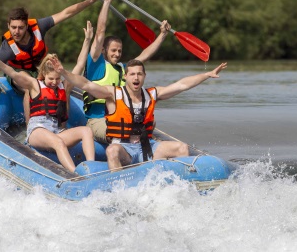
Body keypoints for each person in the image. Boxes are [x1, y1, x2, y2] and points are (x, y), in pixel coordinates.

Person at [50, 57, 227, 170]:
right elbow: (87, 85)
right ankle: (118, 189)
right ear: (125, 77)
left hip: (147, 146)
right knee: (112, 150)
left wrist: (207, 75)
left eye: (139, 74)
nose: (136, 78)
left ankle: (179, 185)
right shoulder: (114, 93)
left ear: (144, 76)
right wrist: (64, 72)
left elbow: (182, 85)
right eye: (132, 74)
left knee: (181, 148)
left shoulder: (151, 94)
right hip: (124, 149)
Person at [0, 0, 101, 123]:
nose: (17, 32)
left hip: (39, 68)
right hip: (19, 72)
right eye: (13, 27)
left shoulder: (39, 27)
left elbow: (65, 13)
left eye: (20, 27)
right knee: (29, 85)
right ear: (8, 26)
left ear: (27, 26)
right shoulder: (8, 48)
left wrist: (90, 1)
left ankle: (63, 122)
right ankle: (29, 126)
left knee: (62, 84)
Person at [0, 43, 96, 173]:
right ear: (43, 74)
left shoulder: (62, 87)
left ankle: (91, 169)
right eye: (51, 79)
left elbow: (79, 65)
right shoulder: (35, 85)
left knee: (86, 131)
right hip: (37, 130)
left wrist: (87, 40)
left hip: (56, 130)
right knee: (58, 142)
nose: (54, 82)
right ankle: (75, 174)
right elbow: (13, 74)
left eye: (57, 79)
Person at [83, 0, 172, 144]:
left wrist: (163, 35)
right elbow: (100, 32)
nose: (117, 54)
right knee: (125, 131)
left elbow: (144, 55)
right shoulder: (96, 63)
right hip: (99, 120)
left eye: (119, 51)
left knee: (151, 122)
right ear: (103, 50)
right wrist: (107, 2)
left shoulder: (123, 70)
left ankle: (149, 148)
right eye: (113, 51)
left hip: (121, 118)